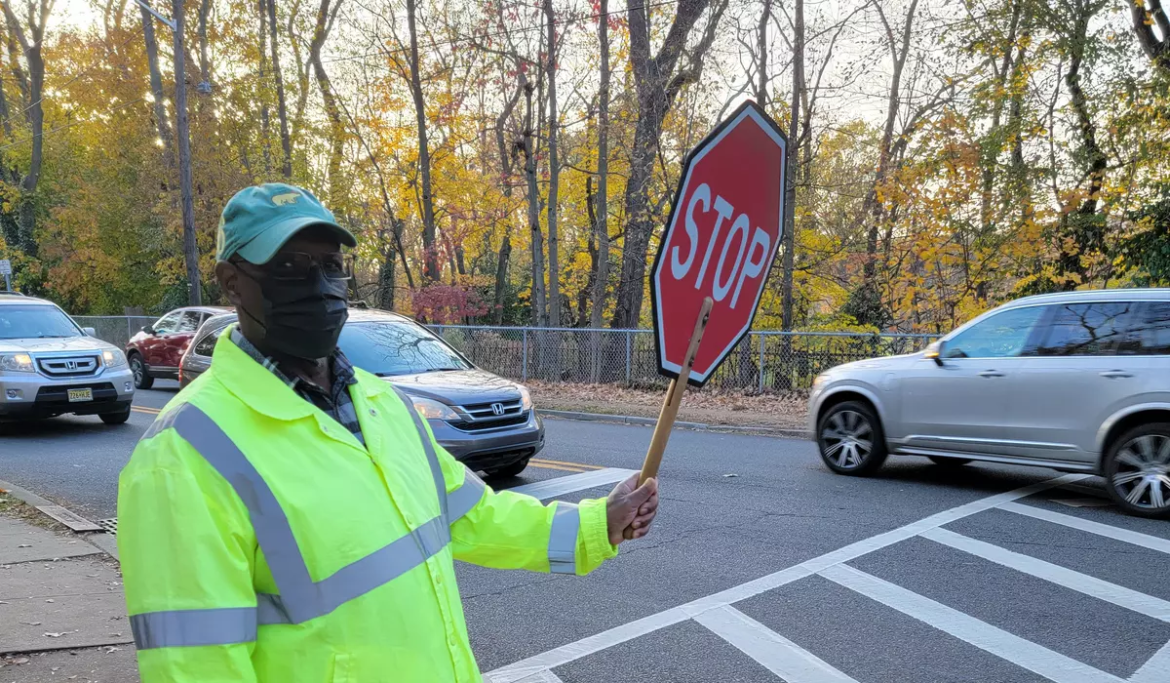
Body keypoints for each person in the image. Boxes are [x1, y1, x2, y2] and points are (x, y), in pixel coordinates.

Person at [118, 183, 659, 682]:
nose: (321, 287)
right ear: (231, 282)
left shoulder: (381, 404)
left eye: (331, 267)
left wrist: (597, 526)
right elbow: (193, 665)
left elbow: (475, 516)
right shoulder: (184, 454)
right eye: (290, 266)